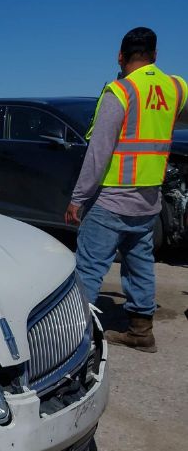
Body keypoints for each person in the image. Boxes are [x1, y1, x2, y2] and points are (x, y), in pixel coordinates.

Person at [65, 27, 187, 353]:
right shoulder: (176, 87)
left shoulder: (120, 91)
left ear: (120, 56)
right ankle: (141, 330)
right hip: (149, 200)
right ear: (155, 55)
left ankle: (74, 343)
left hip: (113, 198)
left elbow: (98, 152)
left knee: (89, 267)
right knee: (140, 263)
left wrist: (78, 198)